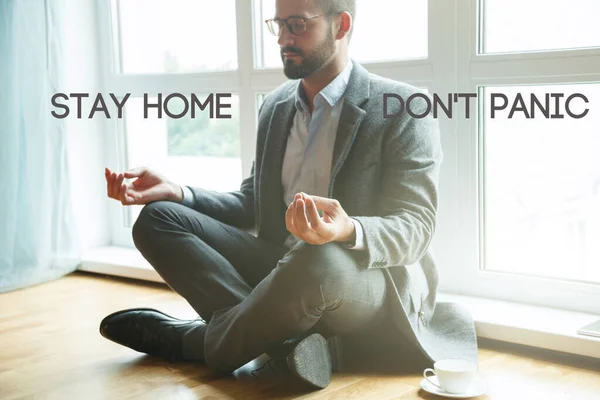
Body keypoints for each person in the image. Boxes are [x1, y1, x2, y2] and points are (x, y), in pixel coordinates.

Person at [99, 0, 478, 390]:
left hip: (361, 279)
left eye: (297, 25)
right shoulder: (276, 106)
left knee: (318, 259)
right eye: (278, 24)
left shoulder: (403, 107)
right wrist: (178, 192)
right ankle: (290, 343)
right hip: (280, 268)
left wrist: (347, 229)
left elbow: (415, 227)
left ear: (341, 25)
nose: (282, 38)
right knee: (158, 219)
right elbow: (252, 204)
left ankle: (191, 340)